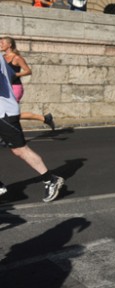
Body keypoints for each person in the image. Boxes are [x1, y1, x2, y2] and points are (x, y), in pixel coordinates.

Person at [0, 54, 65, 202]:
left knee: (20, 150)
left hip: (4, 113)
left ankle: (51, 179)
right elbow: (11, 75)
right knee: (19, 150)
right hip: (4, 111)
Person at [1, 37, 55, 130]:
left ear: (9, 45)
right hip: (5, 87)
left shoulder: (16, 57)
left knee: (11, 113)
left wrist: (15, 74)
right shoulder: (2, 57)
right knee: (9, 113)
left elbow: (28, 71)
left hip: (15, 88)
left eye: (2, 43)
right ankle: (45, 118)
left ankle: (12, 135)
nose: (0, 45)